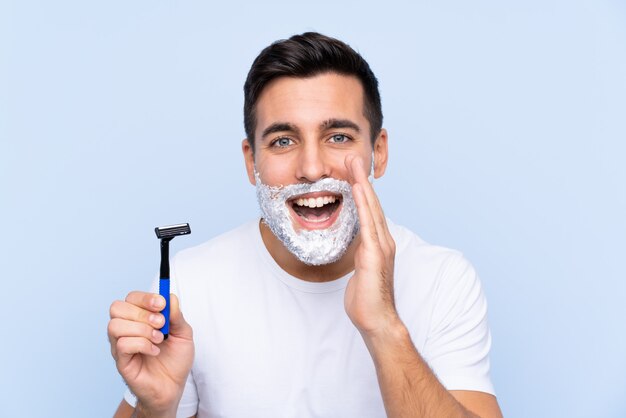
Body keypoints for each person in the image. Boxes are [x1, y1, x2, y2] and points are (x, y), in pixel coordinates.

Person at [108, 32, 503, 418]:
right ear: (252, 162)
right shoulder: (188, 285)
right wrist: (155, 410)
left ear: (378, 153)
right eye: (283, 141)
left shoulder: (443, 279)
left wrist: (384, 327)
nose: (312, 169)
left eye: (338, 136)